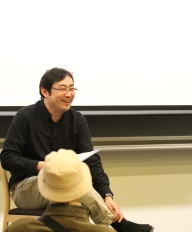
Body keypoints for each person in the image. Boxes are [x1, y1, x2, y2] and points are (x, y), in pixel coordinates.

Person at [0, 67, 154, 232]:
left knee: (76, 184)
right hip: (26, 188)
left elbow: (92, 161)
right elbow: (7, 157)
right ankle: (118, 225)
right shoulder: (25, 117)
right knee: (72, 182)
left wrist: (106, 196)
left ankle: (113, 224)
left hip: (62, 189)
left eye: (72, 88)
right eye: (63, 89)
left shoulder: (77, 120)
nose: (69, 94)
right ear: (45, 91)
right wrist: (44, 166)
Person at [5, 149, 117, 232]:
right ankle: (117, 223)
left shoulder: (19, 229)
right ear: (82, 191)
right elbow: (7, 158)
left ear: (44, 191)